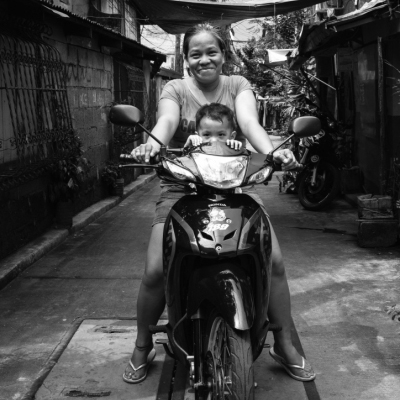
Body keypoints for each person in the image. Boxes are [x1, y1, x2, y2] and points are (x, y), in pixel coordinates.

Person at [122, 22, 316, 384]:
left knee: (273, 260)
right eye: (195, 53)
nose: (204, 59)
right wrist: (152, 144)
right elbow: (166, 121)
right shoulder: (175, 88)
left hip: (235, 187)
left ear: (224, 54)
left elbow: (248, 121)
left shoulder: (238, 85)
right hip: (182, 188)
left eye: (212, 51)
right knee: (154, 269)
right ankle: (142, 342)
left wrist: (273, 151)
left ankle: (284, 342)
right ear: (186, 59)